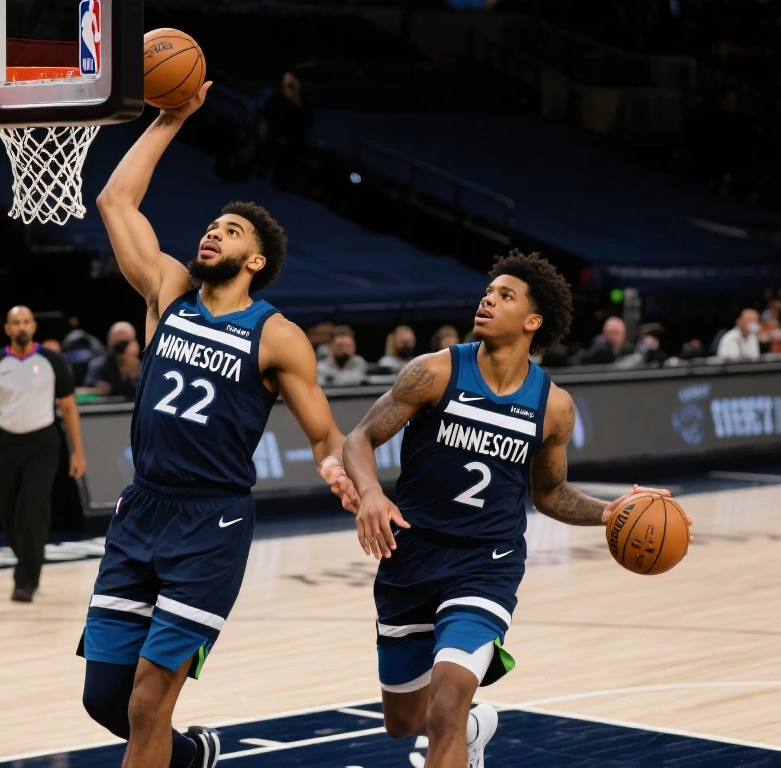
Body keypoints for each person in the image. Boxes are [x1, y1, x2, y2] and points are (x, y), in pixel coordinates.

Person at [81, 81, 357, 768]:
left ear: (256, 261)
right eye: (212, 225)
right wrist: (169, 118)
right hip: (143, 507)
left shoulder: (276, 335)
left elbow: (323, 429)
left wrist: (333, 464)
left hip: (212, 522)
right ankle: (191, 757)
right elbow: (115, 202)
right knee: (106, 699)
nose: (213, 232)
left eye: (231, 231)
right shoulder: (168, 292)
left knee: (148, 702)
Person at [342, 250, 691, 768]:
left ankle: (460, 725)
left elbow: (549, 493)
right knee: (405, 721)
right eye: (489, 292)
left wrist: (609, 512)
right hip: (410, 558)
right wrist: (371, 492)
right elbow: (359, 438)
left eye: (505, 296)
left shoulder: (553, 406)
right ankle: (474, 729)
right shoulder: (434, 372)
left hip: (486, 564)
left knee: (446, 708)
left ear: (533, 321)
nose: (488, 300)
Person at [0, 306, 87, 603]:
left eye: (25, 321)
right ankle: (28, 559)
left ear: (33, 326)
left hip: (43, 443)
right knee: (9, 513)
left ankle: (25, 581)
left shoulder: (52, 361)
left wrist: (78, 451)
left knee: (33, 507)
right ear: (7, 329)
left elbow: (68, 407)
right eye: (15, 322)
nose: (21, 327)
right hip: (7, 443)